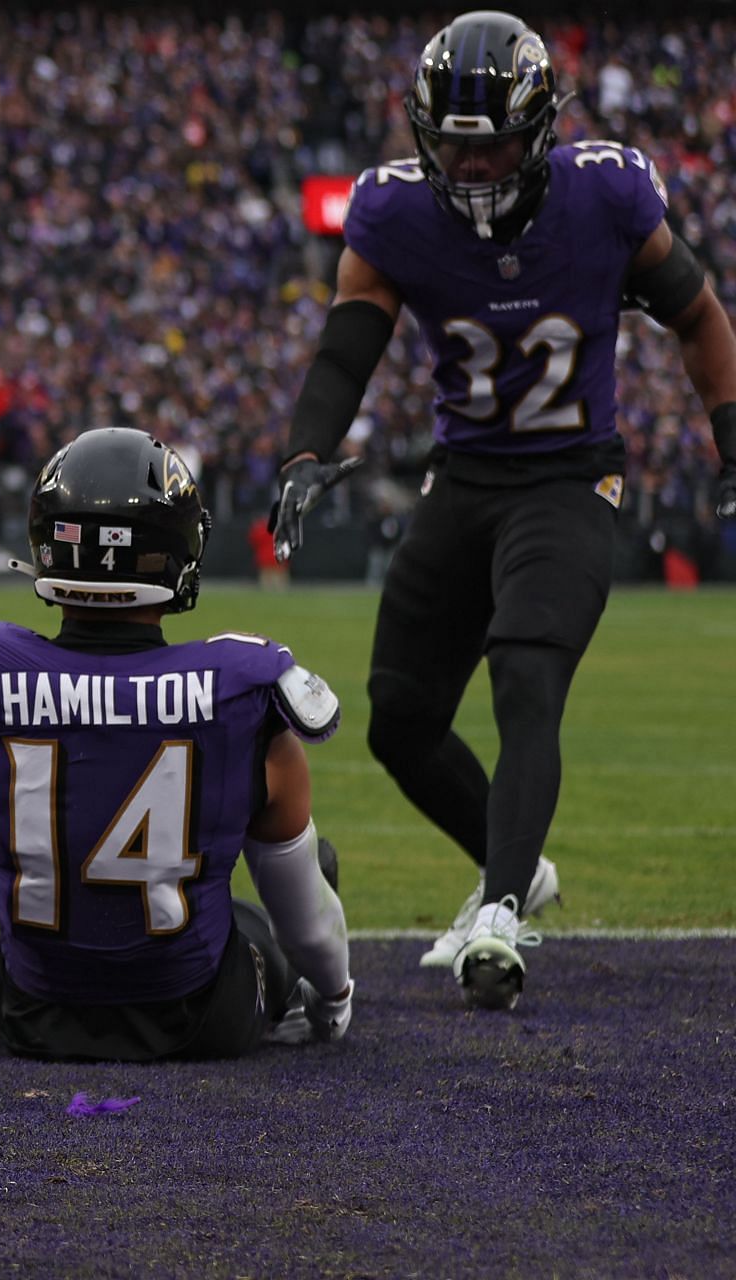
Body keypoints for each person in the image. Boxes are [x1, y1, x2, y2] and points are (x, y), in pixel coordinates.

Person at [270, 12, 736, 1011]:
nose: (474, 162)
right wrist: (305, 449)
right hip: (468, 474)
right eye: (455, 141)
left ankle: (499, 910)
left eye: (493, 141)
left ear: (543, 131)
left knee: (527, 673)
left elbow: (698, 312)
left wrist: (729, 437)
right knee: (397, 713)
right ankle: (517, 862)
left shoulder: (606, 194)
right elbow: (349, 342)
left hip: (570, 475)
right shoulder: (395, 214)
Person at [0, 428, 352, 1062]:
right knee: (304, 876)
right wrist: (334, 1000)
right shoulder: (242, 688)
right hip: (198, 1015)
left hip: (36, 1015)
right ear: (177, 547)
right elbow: (308, 921)